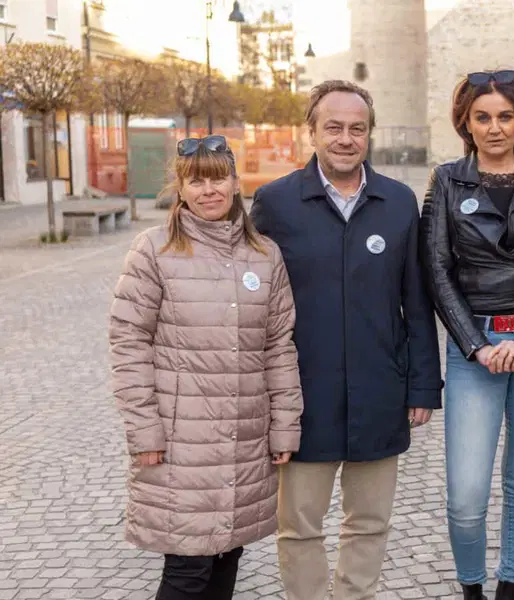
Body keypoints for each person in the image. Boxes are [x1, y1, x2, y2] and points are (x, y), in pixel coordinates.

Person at [249, 80, 443, 600]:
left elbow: (417, 301)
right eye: (332, 127)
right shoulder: (274, 204)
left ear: (369, 135)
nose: (345, 138)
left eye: (357, 128)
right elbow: (252, 303)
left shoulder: (398, 202)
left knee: (370, 522)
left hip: (381, 388)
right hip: (302, 395)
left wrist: (423, 385)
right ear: (311, 132)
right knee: (299, 526)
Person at [109, 135, 303, 600]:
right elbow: (128, 342)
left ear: (237, 183)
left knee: (227, 555)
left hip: (245, 439)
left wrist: (284, 426)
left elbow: (278, 346)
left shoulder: (264, 255)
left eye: (218, 178)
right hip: (182, 443)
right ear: (180, 188)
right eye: (196, 180)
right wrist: (145, 431)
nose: (209, 190)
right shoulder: (153, 251)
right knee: (188, 568)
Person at [420, 69, 514, 600]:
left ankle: (509, 587)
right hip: (475, 350)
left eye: (505, 116)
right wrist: (476, 345)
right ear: (465, 121)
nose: (494, 127)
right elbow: (438, 272)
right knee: (466, 494)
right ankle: (471, 590)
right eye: (482, 117)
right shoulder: (446, 181)